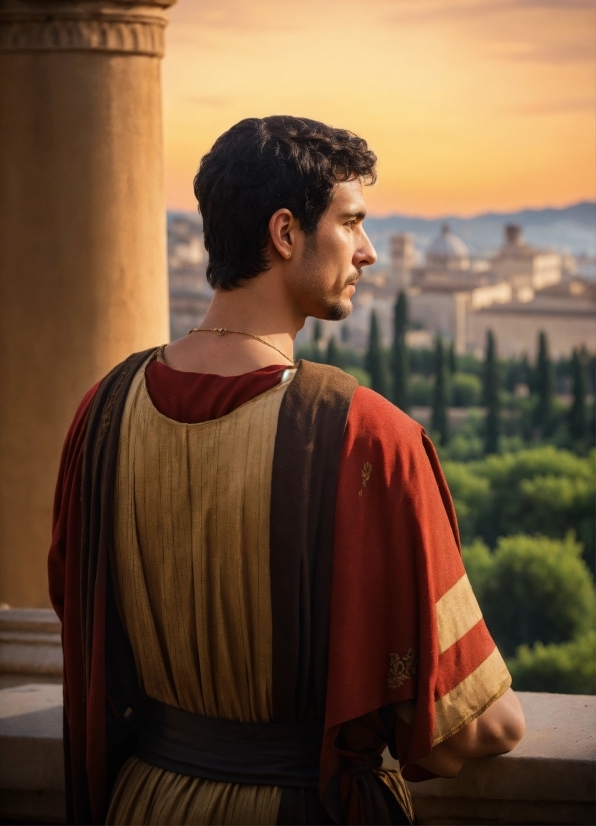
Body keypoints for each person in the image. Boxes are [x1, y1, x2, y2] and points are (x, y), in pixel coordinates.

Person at [48, 116, 525, 826]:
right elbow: (470, 729)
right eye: (352, 224)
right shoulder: (367, 438)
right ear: (284, 233)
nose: (367, 253)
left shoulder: (102, 414)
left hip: (144, 802)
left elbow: (80, 617)